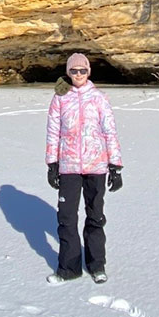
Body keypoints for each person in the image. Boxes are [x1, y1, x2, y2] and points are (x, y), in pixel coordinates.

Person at [45, 53, 123, 284]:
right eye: (73, 71)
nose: (78, 75)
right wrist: (52, 164)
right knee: (66, 219)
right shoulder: (60, 98)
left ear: (89, 72)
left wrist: (115, 166)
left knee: (95, 216)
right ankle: (69, 269)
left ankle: (96, 265)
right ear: (67, 73)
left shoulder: (99, 98)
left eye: (82, 70)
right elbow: (52, 132)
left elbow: (110, 131)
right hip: (68, 166)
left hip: (96, 166)